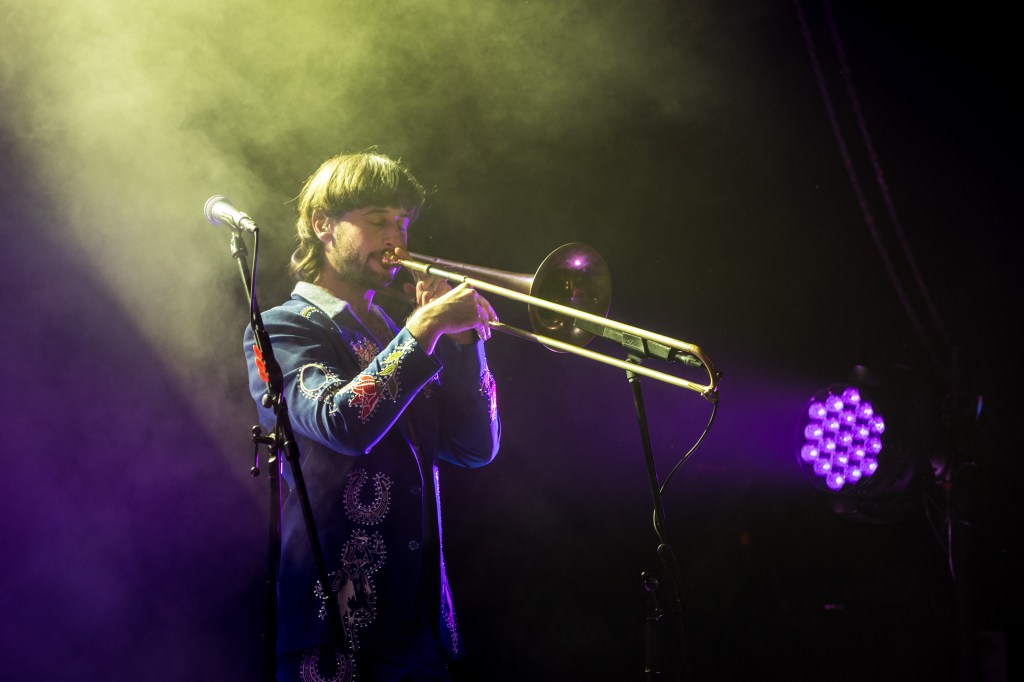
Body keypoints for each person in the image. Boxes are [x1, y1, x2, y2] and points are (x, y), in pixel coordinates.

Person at [243, 151, 501, 682]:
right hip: (333, 622)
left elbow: (475, 448)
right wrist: (424, 328)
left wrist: (464, 347)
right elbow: (342, 423)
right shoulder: (284, 328)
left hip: (420, 626)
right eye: (377, 220)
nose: (395, 239)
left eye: (402, 223)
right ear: (323, 225)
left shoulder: (395, 333)